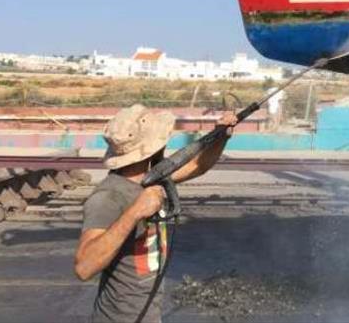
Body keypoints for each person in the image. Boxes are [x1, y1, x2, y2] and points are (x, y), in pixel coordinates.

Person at [74, 104, 237, 323]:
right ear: (151, 149)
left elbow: (198, 166)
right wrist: (134, 212)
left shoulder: (151, 178)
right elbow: (84, 267)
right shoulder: (107, 197)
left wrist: (221, 136)